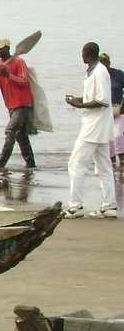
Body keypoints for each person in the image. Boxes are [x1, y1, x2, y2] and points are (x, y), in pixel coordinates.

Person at [65, 41, 117, 219]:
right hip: (97, 126)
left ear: (87, 54)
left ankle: (75, 206)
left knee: (76, 163)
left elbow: (102, 100)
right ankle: (109, 206)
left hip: (94, 126)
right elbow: (93, 97)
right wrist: (77, 100)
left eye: (82, 53)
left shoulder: (100, 72)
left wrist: (79, 106)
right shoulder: (94, 71)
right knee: (104, 166)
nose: (81, 56)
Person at [0, 37, 36, 170]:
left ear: (7, 48)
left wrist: (7, 75)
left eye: (0, 49)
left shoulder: (19, 62)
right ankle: (31, 164)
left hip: (23, 105)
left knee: (10, 131)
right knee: (21, 136)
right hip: (11, 106)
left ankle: (1, 164)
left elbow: (24, 82)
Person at [98, 52, 124, 170]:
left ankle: (122, 161)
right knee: (108, 139)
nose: (103, 64)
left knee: (118, 136)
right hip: (104, 111)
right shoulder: (97, 76)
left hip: (119, 110)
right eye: (101, 62)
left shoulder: (118, 74)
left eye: (105, 62)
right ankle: (112, 164)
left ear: (109, 62)